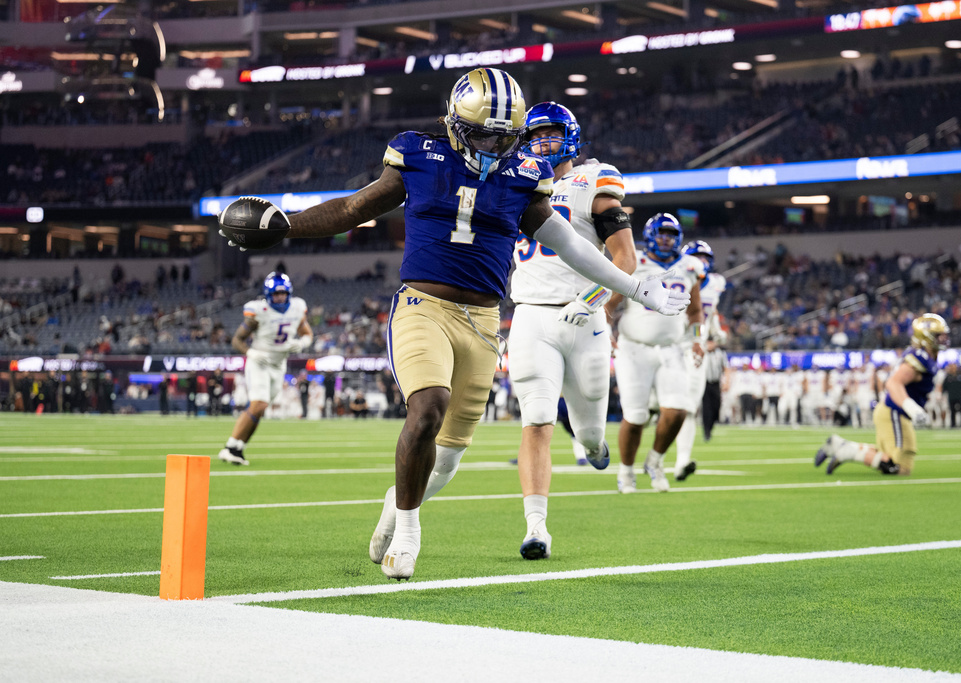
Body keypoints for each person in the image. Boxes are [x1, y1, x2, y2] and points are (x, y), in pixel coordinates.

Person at [220, 68, 687, 580]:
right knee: (427, 408)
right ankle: (409, 526)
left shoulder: (523, 174)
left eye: (503, 136)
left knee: (446, 458)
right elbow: (354, 207)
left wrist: (635, 286)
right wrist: (288, 226)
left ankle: (392, 507)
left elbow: (572, 245)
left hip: (485, 320)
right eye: (483, 132)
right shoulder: (419, 154)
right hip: (424, 305)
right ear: (456, 121)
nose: (493, 144)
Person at [507, 101, 637, 560]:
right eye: (535, 135)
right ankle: (536, 528)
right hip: (530, 315)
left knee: (587, 433)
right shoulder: (512, 180)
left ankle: (595, 444)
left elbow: (625, 260)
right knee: (537, 419)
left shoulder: (593, 181)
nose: (543, 142)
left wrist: (591, 301)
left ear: (572, 138)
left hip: (585, 319)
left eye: (551, 134)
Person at [614, 213, 705, 494]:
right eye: (661, 233)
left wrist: (698, 340)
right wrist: (606, 332)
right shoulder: (635, 261)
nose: (666, 238)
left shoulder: (690, 266)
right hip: (634, 347)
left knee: (678, 410)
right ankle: (626, 472)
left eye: (670, 233)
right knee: (636, 416)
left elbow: (695, 312)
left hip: (672, 348)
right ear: (651, 235)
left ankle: (655, 461)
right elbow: (610, 302)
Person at [814, 314, 949, 476]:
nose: (943, 339)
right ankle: (846, 451)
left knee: (897, 461)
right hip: (894, 412)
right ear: (926, 336)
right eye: (939, 335)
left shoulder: (926, 356)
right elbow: (892, 383)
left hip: (895, 413)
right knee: (897, 467)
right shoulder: (919, 359)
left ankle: (839, 444)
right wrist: (913, 408)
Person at [217, 272, 312, 466]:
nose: (279, 297)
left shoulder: (297, 308)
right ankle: (229, 447)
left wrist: (302, 343)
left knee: (260, 409)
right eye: (276, 294)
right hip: (259, 362)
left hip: (279, 364)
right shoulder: (258, 310)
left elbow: (307, 333)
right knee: (258, 404)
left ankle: (238, 448)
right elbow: (237, 340)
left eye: (283, 293)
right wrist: (250, 353)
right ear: (268, 294)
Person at [673, 240, 727, 481]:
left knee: (689, 407)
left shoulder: (715, 284)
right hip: (671, 346)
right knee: (651, 409)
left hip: (697, 349)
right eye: (697, 257)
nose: (702, 262)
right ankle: (654, 457)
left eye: (705, 258)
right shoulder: (676, 278)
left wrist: (715, 330)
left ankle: (682, 460)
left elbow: (710, 310)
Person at [943, 363, 961, 428]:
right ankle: (953, 424)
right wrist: (943, 396)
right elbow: (944, 387)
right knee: (952, 411)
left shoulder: (960, 376)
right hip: (951, 396)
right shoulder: (948, 377)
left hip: (959, 396)